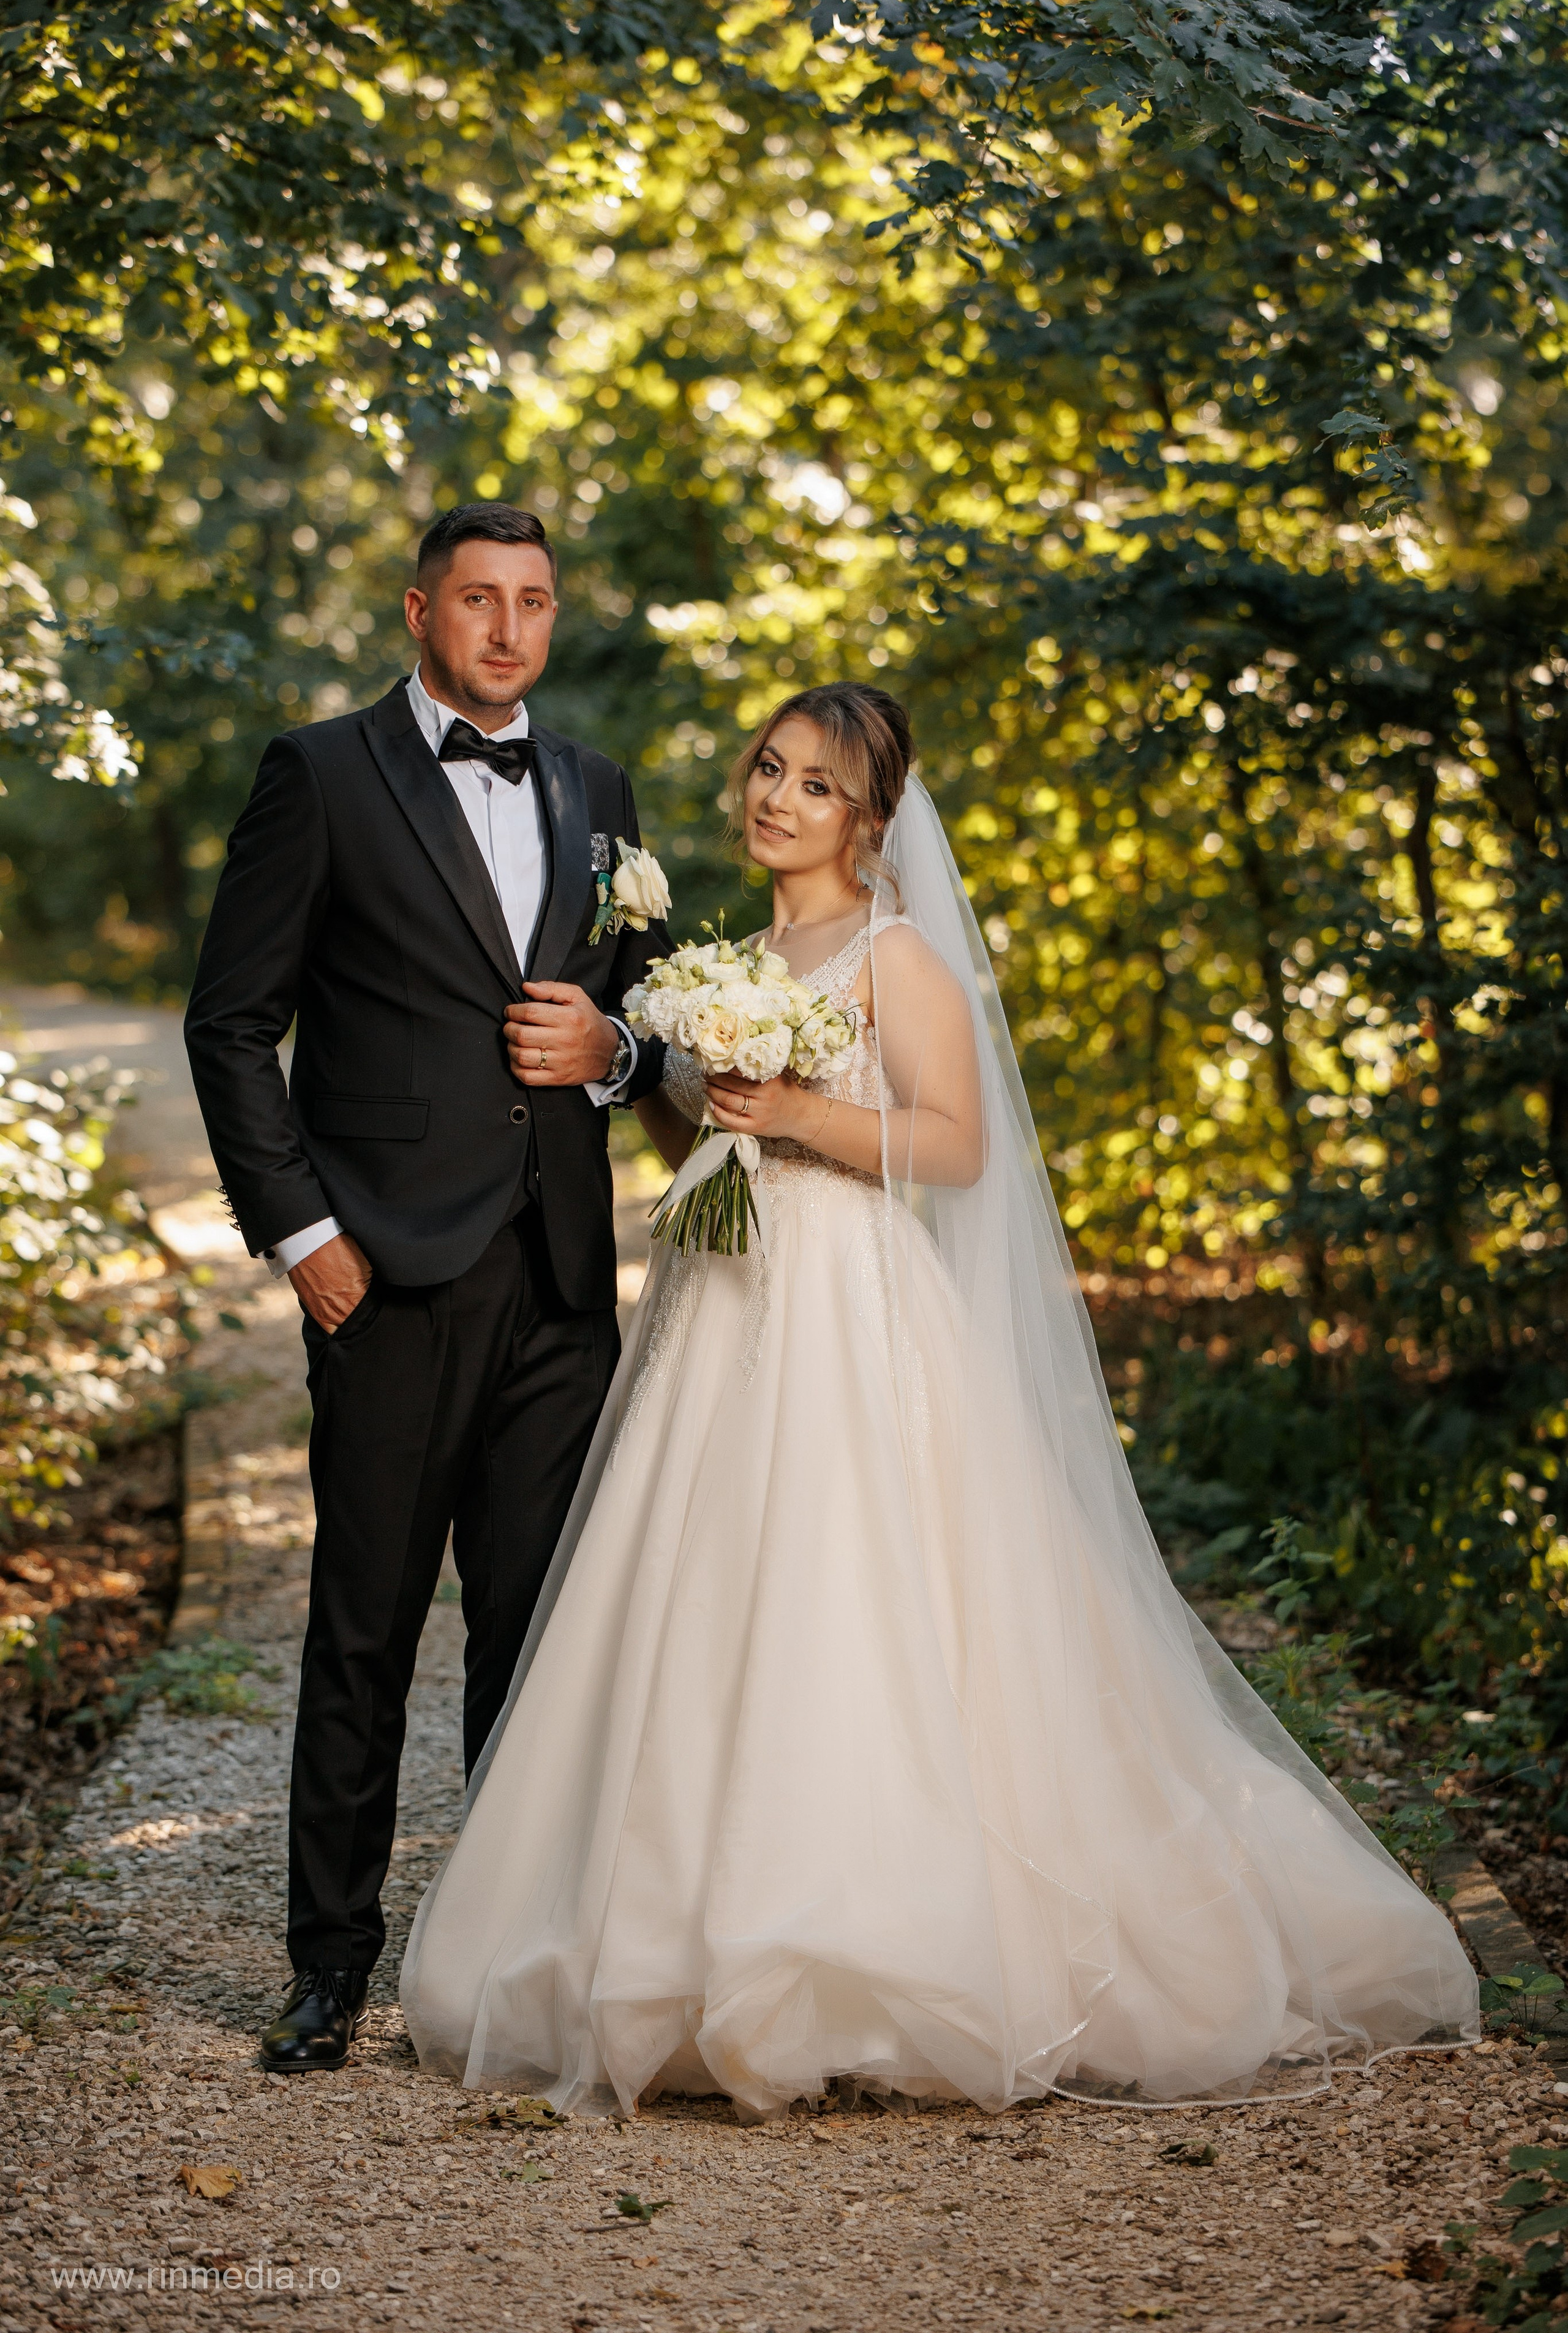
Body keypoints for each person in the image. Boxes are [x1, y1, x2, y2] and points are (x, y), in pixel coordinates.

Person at [400, 681, 1478, 2120]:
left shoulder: (895, 955)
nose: (778, 799)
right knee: (708, 1602)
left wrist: (793, 1113)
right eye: (769, 769)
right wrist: (682, 1087)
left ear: (871, 817)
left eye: (817, 786)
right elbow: (706, 1137)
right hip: (724, 1303)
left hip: (851, 1306)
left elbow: (956, 1147)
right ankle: (675, 1941)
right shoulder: (752, 951)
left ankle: (877, 1947)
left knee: (858, 1601)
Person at [184, 504, 669, 2071]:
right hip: (383, 1275)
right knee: (367, 1633)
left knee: (534, 1637)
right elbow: (230, 1024)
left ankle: (510, 1966)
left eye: (532, 602)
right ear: (418, 611)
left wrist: (616, 1060)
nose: (509, 628)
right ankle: (328, 1967)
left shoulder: (598, 788)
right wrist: (303, 1237)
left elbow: (633, 1017)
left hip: (559, 1281)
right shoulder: (319, 776)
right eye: (479, 599)